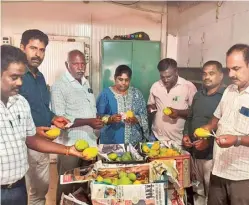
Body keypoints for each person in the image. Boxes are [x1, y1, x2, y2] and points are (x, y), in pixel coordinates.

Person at [0, 45, 88, 205]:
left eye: (21, 77)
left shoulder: (21, 103)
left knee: (38, 192)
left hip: (18, 187)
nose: (20, 82)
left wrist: (69, 150)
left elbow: (31, 139)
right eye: (14, 77)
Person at [19, 29, 69, 205]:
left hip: (41, 142)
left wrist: (54, 118)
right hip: (22, 144)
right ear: (22, 47)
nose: (37, 54)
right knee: (22, 190)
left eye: (41, 50)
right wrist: (32, 130)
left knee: (40, 189)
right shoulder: (15, 77)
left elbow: (41, 108)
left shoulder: (39, 77)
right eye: (33, 48)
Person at [51, 49, 104, 204]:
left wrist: (95, 119)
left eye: (83, 63)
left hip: (89, 142)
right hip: (70, 145)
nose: (80, 67)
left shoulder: (86, 82)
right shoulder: (59, 86)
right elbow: (60, 119)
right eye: (76, 64)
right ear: (67, 65)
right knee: (67, 184)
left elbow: (88, 108)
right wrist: (88, 121)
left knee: (83, 184)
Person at [201, 44, 249, 205]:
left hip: (242, 176)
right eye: (229, 69)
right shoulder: (229, 90)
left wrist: (237, 140)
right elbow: (217, 118)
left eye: (236, 68)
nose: (231, 74)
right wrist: (207, 130)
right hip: (219, 169)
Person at [182, 61, 225, 205]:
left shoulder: (225, 97)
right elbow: (190, 117)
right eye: (205, 73)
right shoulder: (198, 95)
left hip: (211, 156)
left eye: (211, 73)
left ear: (221, 76)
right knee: (196, 191)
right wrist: (186, 135)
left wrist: (209, 142)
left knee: (211, 194)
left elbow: (225, 127)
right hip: (194, 153)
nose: (207, 77)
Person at [147, 58, 197, 147]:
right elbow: (151, 104)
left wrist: (178, 113)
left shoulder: (188, 86)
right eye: (162, 77)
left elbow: (195, 112)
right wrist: (151, 108)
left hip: (179, 140)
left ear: (176, 72)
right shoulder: (156, 86)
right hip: (156, 137)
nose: (165, 80)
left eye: (168, 76)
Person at [96, 65, 149, 145]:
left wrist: (136, 119)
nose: (123, 83)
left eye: (126, 80)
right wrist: (110, 119)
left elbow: (144, 115)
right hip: (111, 141)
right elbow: (98, 117)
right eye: (120, 79)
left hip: (134, 142)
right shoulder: (105, 94)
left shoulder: (137, 94)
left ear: (130, 80)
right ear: (115, 78)